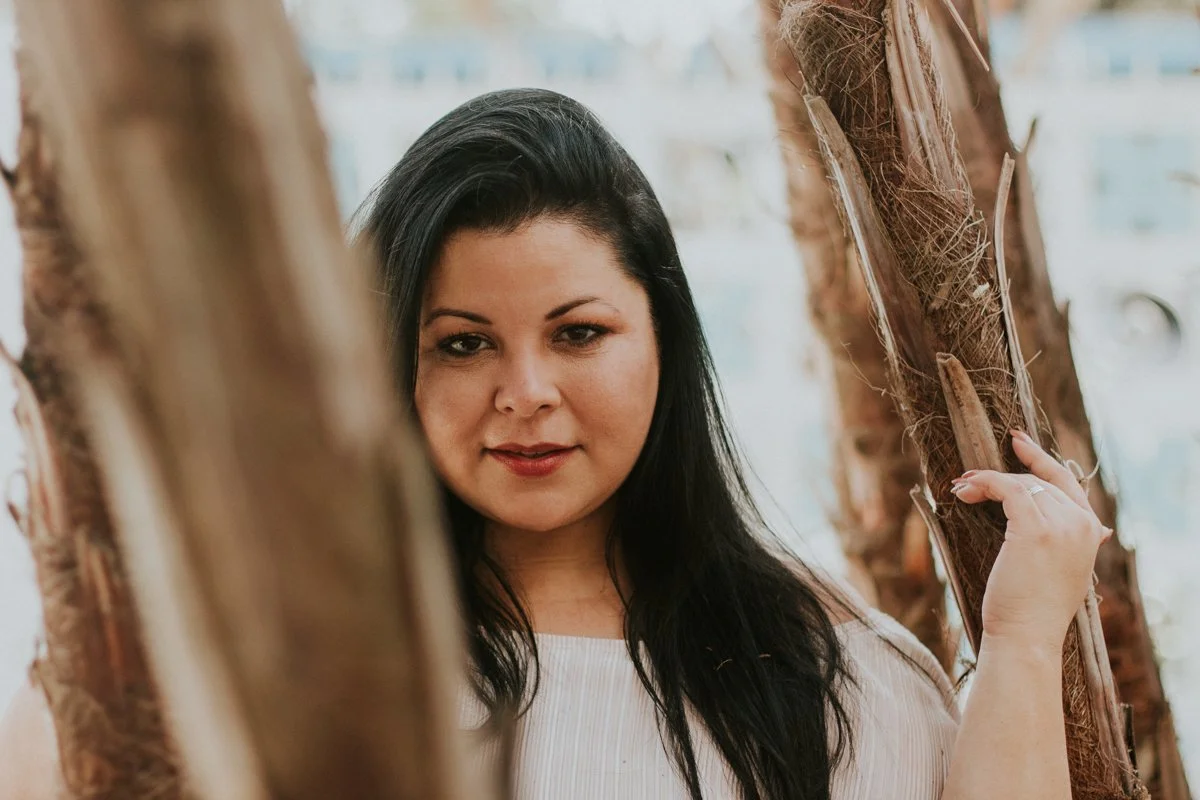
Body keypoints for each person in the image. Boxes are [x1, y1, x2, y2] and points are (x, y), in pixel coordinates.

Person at [0, 88, 1111, 800]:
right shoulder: (276, 652)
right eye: (463, 342)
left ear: (662, 342)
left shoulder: (824, 673)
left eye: (579, 333)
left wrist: (1019, 643)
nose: (524, 393)